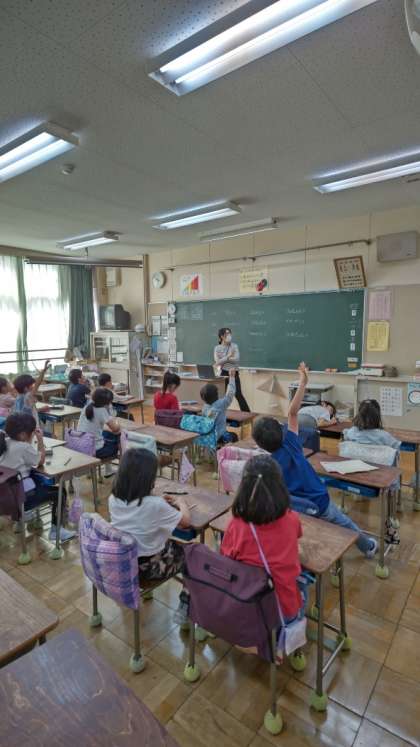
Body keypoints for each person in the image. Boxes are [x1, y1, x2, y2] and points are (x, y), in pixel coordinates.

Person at [252, 362, 377, 558]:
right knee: (345, 524)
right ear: (280, 431)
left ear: (261, 445)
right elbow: (293, 413)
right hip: (320, 501)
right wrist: (303, 382)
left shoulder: (268, 466)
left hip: (298, 509)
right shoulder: (291, 443)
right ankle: (368, 547)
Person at [109, 448, 191, 624]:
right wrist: (181, 503)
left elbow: (138, 516)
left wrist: (154, 499)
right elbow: (185, 522)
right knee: (193, 554)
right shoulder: (154, 505)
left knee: (162, 539)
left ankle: (151, 595)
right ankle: (186, 602)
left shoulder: (113, 499)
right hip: (148, 571)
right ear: (147, 480)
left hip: (124, 564)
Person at [221, 454, 304, 622]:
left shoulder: (236, 525)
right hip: (282, 609)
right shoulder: (292, 519)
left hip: (247, 603)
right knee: (302, 582)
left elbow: (226, 558)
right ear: (280, 486)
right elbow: (297, 546)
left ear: (243, 488)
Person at [0, 413, 75, 541]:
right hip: (22, 499)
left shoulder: (5, 443)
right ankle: (55, 530)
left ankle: (19, 521)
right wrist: (40, 440)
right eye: (32, 432)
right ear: (23, 435)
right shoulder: (23, 447)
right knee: (60, 492)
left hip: (5, 497)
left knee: (31, 476)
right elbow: (40, 461)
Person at [77, 387, 120, 460]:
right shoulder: (101, 410)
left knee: (106, 434)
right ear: (107, 403)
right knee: (119, 436)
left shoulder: (87, 407)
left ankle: (109, 466)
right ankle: (122, 463)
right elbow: (116, 429)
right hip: (96, 450)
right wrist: (116, 421)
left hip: (81, 445)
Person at [214, 327, 250, 412]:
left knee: (238, 394)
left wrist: (224, 359)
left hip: (234, 373)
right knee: (222, 395)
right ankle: (219, 412)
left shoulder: (234, 346)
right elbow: (217, 362)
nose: (229, 335)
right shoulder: (217, 348)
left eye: (230, 333)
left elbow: (236, 359)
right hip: (223, 373)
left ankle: (247, 413)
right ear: (222, 336)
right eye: (227, 334)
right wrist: (229, 356)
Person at [201, 368, 238, 444]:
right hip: (219, 436)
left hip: (208, 436)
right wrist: (232, 377)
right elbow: (230, 393)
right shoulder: (220, 404)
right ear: (216, 395)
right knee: (234, 436)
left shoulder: (205, 407)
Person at [12, 360, 51, 428]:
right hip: (31, 427)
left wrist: (40, 409)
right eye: (31, 385)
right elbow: (38, 384)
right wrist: (43, 371)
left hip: (23, 427)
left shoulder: (18, 398)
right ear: (26, 388)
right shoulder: (27, 396)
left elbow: (26, 411)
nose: (33, 386)